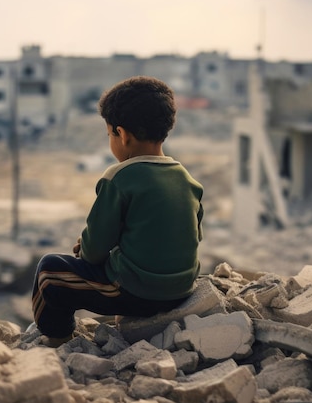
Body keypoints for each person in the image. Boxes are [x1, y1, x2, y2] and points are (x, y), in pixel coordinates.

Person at [31, 76, 204, 346]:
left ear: (121, 135)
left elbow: (92, 252)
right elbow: (187, 236)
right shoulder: (187, 179)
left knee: (49, 271)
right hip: (182, 290)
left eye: (109, 133)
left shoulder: (119, 177)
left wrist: (88, 248)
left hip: (138, 294)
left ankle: (58, 337)